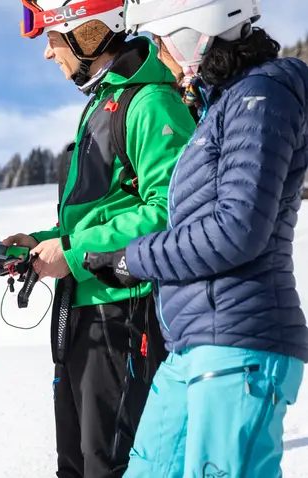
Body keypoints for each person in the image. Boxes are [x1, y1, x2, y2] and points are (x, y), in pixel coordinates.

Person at [82, 0, 308, 476]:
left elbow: (237, 229)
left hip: (239, 345)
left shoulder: (263, 95)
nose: (159, 57)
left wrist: (132, 257)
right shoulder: (223, 105)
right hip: (191, 347)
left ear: (195, 34)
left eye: (160, 42)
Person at [7, 1, 197, 476]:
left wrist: (71, 253)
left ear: (85, 34)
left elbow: (171, 210)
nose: (49, 55)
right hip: (85, 310)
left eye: (52, 39)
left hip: (125, 310)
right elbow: (103, 212)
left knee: (109, 465)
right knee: (74, 464)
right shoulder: (103, 102)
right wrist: (42, 242)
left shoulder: (150, 102)